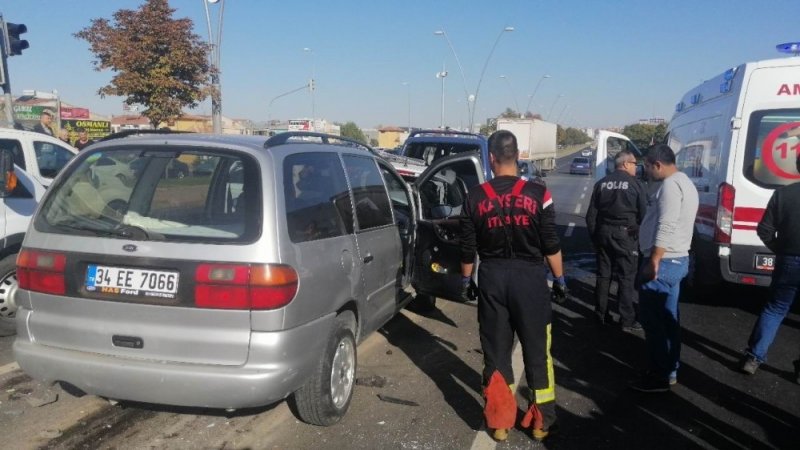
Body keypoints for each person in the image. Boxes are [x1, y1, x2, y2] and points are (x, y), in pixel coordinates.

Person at [460, 129, 566, 442]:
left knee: (496, 352)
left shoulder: (474, 197)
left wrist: (466, 280)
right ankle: (540, 422)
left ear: (491, 158)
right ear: (518, 156)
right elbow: (551, 244)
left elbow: (467, 248)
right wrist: (559, 279)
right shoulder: (539, 194)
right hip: (531, 281)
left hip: (492, 279)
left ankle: (500, 423)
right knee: (537, 352)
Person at [630, 144, 698, 393]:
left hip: (664, 261)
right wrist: (642, 229)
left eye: (647, 166)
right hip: (677, 258)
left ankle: (658, 376)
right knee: (669, 319)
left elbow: (667, 225)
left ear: (657, 165)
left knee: (653, 321)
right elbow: (669, 220)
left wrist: (654, 261)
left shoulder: (669, 186)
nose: (645, 171)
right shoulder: (685, 182)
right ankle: (670, 370)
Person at [740, 153, 800, 383]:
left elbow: (764, 230)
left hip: (788, 260)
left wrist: (781, 250)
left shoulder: (783, 194)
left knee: (775, 309)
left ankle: (753, 358)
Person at [585, 150, 647, 331]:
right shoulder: (636, 185)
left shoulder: (601, 184)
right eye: (634, 163)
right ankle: (627, 319)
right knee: (626, 277)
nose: (636, 167)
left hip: (603, 233)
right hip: (626, 235)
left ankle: (600, 314)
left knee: (603, 276)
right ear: (626, 164)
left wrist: (595, 238)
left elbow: (591, 216)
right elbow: (644, 215)